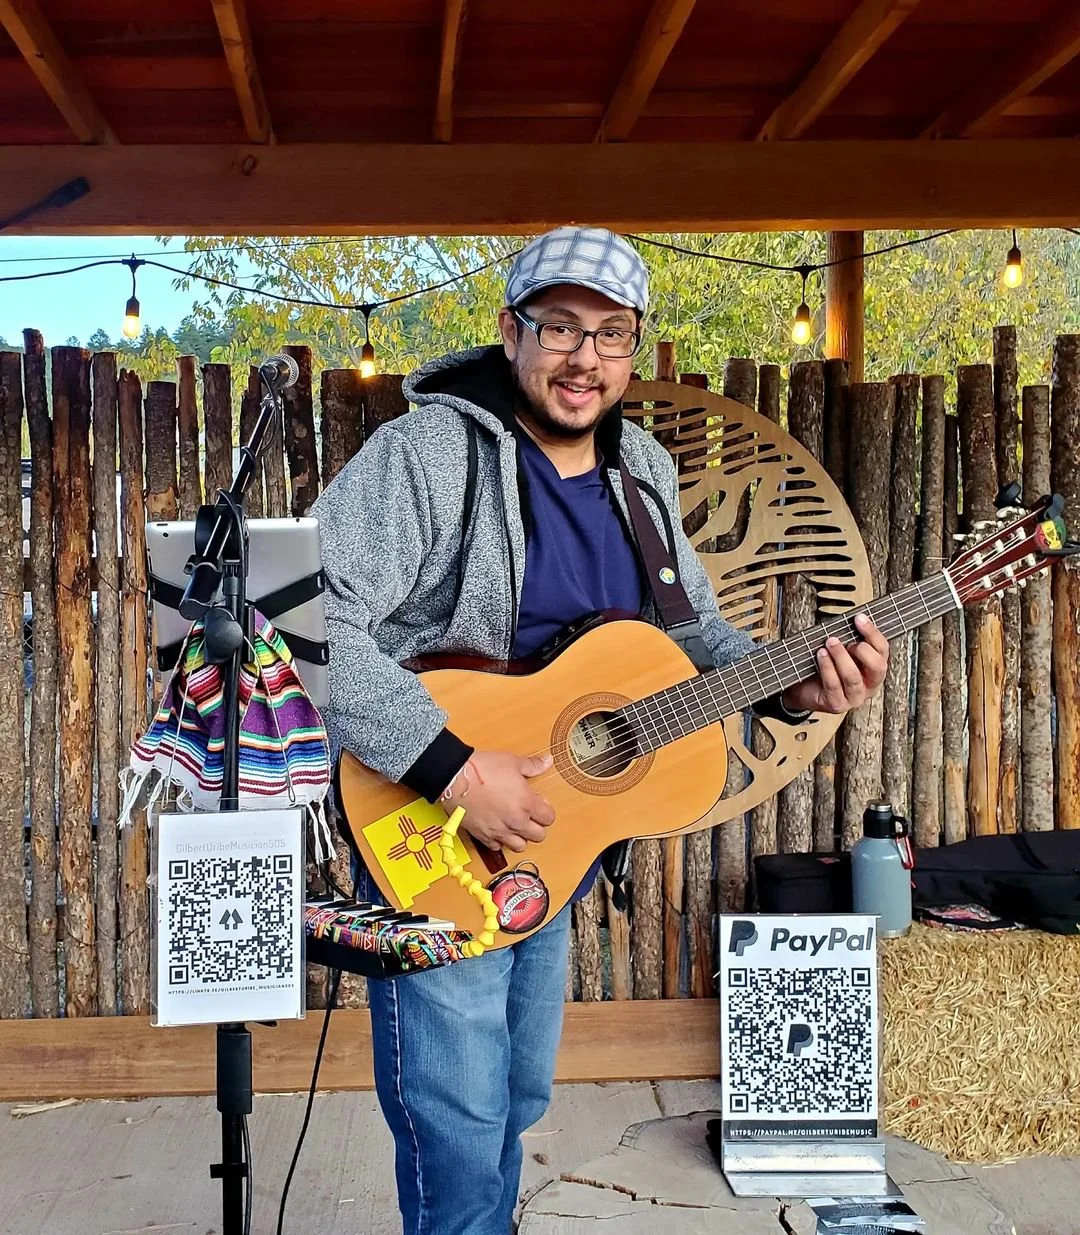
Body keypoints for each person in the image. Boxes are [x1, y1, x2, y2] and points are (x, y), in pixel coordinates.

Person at [311, 225, 889, 1234]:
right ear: (511, 331)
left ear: (633, 349)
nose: (587, 358)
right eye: (563, 327)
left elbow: (691, 637)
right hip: (427, 816)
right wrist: (452, 766)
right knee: (454, 1116)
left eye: (612, 334)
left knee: (518, 1098)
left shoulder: (643, 470)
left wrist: (796, 684)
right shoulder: (432, 452)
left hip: (554, 834)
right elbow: (307, 617)